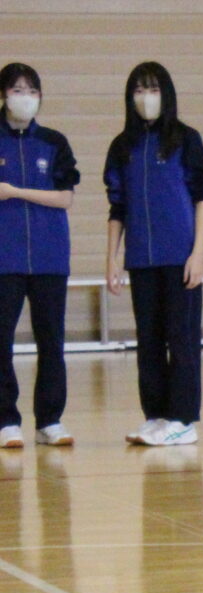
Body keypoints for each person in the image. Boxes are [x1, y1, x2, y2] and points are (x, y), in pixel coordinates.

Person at [103, 62, 203, 447]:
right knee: (148, 340)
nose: (145, 96)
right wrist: (112, 257)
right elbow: (117, 207)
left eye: (152, 88)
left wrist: (198, 253)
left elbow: (202, 199)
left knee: (181, 339)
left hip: (179, 257)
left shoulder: (186, 139)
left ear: (166, 94)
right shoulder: (123, 147)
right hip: (142, 260)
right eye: (138, 89)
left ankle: (183, 419)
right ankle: (155, 415)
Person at [0, 62, 78, 449]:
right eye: (17, 89)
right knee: (2, 340)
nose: (25, 97)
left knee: (52, 340)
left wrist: (13, 190)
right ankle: (6, 420)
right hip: (4, 260)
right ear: (3, 95)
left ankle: (50, 419)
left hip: (50, 258)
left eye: (32, 90)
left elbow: (65, 197)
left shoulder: (53, 141)